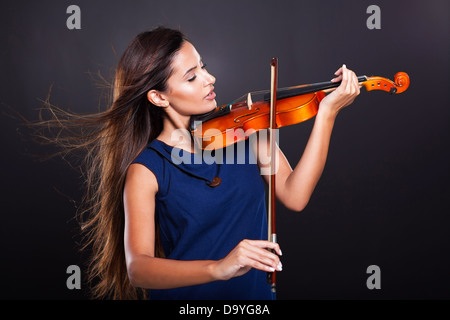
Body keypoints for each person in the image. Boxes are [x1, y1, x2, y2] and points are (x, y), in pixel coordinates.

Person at [36, 26, 360, 300]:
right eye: (192, 77)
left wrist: (326, 114)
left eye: (203, 66)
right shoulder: (147, 170)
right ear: (159, 97)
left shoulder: (246, 130)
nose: (210, 78)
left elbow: (295, 195)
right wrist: (220, 267)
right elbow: (139, 268)